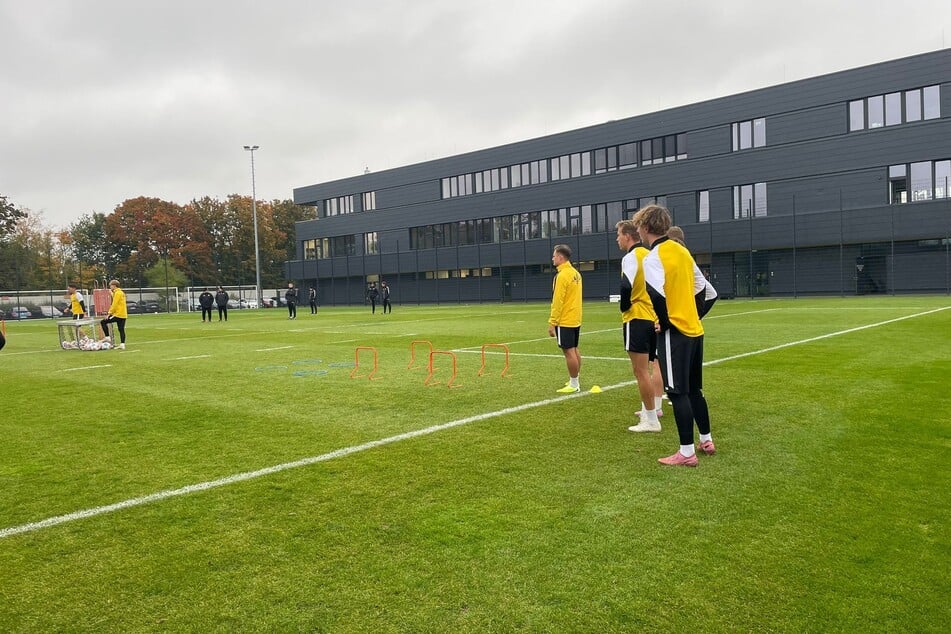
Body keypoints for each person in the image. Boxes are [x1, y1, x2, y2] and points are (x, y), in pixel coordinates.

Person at [636, 205, 718, 467]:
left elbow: (656, 294)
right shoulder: (682, 252)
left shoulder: (653, 257)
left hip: (676, 334)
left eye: (638, 225)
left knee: (677, 391)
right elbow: (707, 290)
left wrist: (667, 322)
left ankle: (686, 452)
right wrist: (693, 315)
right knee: (695, 389)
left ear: (646, 227)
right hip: (695, 330)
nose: (637, 230)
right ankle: (706, 439)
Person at [616, 220, 663, 432]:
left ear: (628, 236)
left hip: (636, 317)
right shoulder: (650, 255)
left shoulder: (631, 257)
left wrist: (624, 307)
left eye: (618, 234)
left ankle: (651, 420)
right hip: (651, 317)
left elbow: (626, 285)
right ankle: (648, 411)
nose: (617, 239)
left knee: (640, 371)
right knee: (649, 368)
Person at [548, 244, 583, 393]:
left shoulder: (562, 275)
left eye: (554, 256)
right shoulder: (575, 273)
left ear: (561, 257)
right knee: (574, 350)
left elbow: (558, 300)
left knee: (568, 352)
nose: (552, 258)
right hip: (575, 317)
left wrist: (552, 322)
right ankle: (574, 378)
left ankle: (574, 383)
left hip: (565, 319)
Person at [100, 279, 128, 350]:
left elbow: (114, 304)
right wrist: (111, 294)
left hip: (118, 314)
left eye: (111, 286)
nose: (110, 287)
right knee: (121, 329)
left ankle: (107, 337)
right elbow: (117, 299)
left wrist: (109, 314)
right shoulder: (120, 292)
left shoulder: (118, 293)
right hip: (123, 314)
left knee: (103, 322)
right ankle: (122, 344)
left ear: (114, 286)